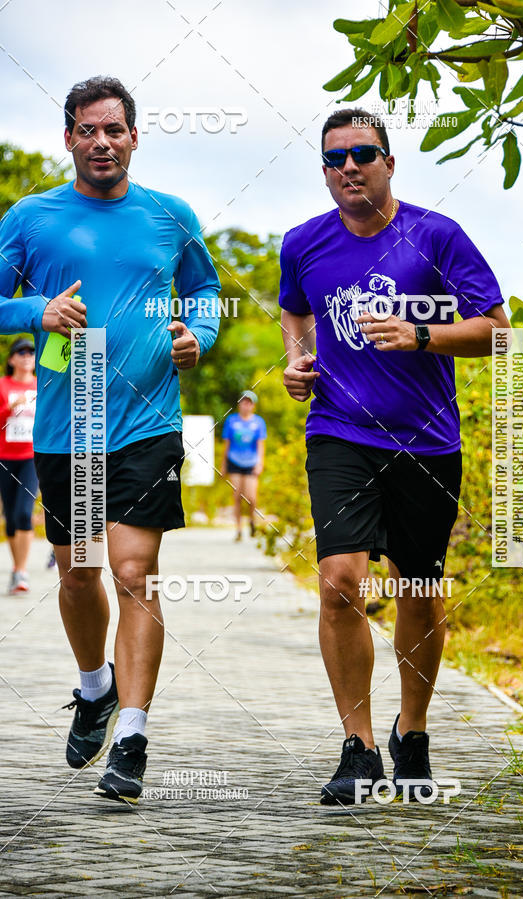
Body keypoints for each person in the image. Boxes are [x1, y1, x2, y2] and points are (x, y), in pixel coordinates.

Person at [279, 108, 510, 805]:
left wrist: (421, 334)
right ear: (324, 170)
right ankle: (359, 748)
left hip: (428, 440)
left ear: (389, 162)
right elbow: (295, 310)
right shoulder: (302, 243)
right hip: (340, 432)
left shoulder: (436, 236)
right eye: (335, 157)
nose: (350, 166)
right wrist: (297, 360)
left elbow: (499, 332)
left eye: (364, 153)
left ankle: (413, 730)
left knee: (417, 588)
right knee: (339, 580)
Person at [0, 76, 220, 802]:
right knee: (78, 573)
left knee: (134, 570)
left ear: (133, 137)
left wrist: (200, 335)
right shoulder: (31, 218)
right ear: (68, 138)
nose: (102, 142)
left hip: (147, 423)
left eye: (114, 130)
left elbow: (206, 291)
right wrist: (39, 308)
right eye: (88, 130)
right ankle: (95, 685)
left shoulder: (170, 215)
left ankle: (131, 733)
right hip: (71, 424)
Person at [0, 337, 38, 594]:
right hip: (4, 458)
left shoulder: (41, 385)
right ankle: (15, 569)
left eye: (31, 351)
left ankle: (22, 572)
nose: (26, 355)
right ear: (11, 359)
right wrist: (8, 409)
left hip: (31, 457)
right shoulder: (3, 385)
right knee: (11, 518)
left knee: (25, 512)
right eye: (21, 352)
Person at [221, 391, 266, 540]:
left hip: (251, 463)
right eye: (243, 402)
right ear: (239, 404)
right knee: (237, 496)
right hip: (234, 461)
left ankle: (252, 520)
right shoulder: (231, 421)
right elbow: (226, 444)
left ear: (253, 405)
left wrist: (260, 463)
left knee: (251, 497)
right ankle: (239, 529)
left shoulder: (258, 422)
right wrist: (223, 465)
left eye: (249, 402)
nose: (246, 405)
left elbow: (260, 445)